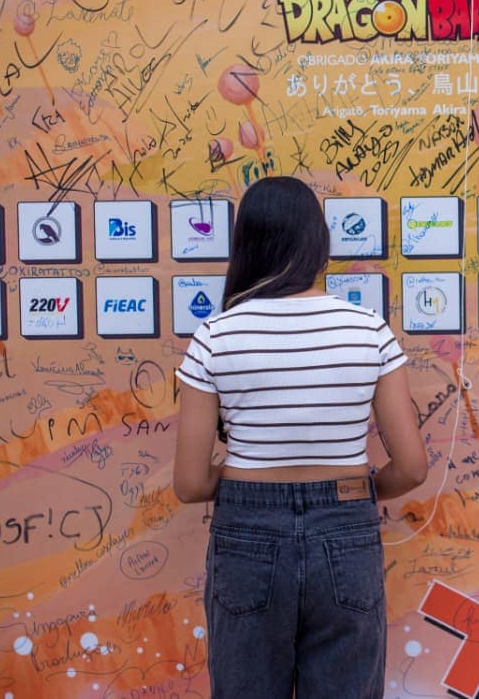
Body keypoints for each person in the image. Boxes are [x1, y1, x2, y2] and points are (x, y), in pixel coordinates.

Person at [172, 176, 428, 698]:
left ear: (247, 243)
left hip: (247, 532)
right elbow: (412, 467)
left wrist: (249, 481)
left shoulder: (215, 336)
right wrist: (355, 490)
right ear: (319, 241)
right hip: (346, 528)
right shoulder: (368, 330)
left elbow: (191, 484)